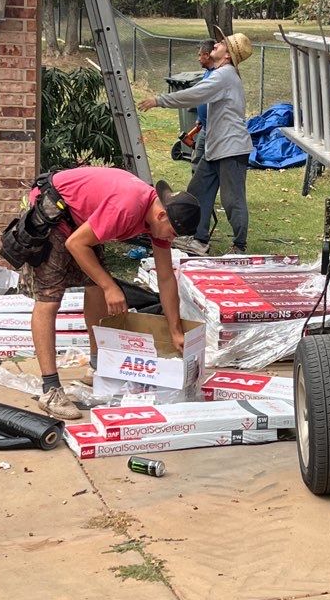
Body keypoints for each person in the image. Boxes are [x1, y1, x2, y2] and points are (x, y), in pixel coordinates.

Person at [26, 167, 200, 419]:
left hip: (78, 219)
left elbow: (165, 277)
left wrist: (174, 329)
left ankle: (98, 367)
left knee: (96, 287)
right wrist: (111, 287)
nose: (170, 239)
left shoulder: (158, 219)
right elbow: (75, 243)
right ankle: (50, 389)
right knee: (50, 298)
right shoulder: (128, 207)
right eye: (172, 233)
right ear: (162, 214)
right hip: (53, 209)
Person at [139, 29, 253, 256]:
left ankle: (239, 245)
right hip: (215, 147)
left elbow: (194, 95)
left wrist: (160, 100)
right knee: (197, 191)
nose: (217, 44)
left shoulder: (225, 75)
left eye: (222, 43)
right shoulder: (220, 73)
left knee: (232, 200)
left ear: (228, 54)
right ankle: (199, 239)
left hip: (231, 149)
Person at [192, 39, 216, 165]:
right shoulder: (207, 72)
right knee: (197, 159)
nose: (198, 59)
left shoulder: (218, 75)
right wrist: (199, 118)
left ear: (207, 55)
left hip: (215, 132)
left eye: (199, 55)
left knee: (210, 164)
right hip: (204, 128)